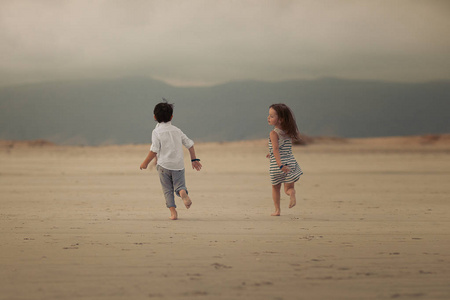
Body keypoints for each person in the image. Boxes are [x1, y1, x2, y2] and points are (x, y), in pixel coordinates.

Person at [140, 100, 202, 220]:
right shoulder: (177, 131)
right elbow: (190, 144)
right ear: (172, 116)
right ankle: (182, 192)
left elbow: (154, 150)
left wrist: (145, 163)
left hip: (163, 166)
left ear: (154, 117)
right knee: (180, 186)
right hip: (178, 165)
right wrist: (194, 159)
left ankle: (173, 213)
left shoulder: (156, 132)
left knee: (167, 190)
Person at [267, 103, 303, 216]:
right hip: (290, 163)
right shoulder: (288, 132)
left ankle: (277, 210)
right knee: (289, 188)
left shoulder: (273, 133)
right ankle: (292, 194)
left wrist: (279, 164)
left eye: (272, 116)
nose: (268, 118)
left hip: (278, 165)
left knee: (275, 187)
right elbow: (282, 147)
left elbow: (276, 149)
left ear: (280, 119)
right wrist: (271, 153)